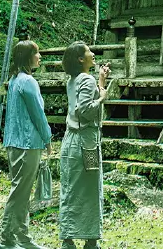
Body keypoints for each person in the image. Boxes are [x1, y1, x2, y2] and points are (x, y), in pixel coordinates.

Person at [0, 40, 52, 249]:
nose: (39, 57)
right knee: (20, 192)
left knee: (21, 190)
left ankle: (21, 237)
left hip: (14, 142)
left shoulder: (14, 80)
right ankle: (6, 239)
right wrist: (47, 138)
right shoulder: (28, 81)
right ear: (27, 57)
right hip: (27, 143)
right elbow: (37, 114)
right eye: (36, 53)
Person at [59, 42, 110, 249]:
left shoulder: (73, 80)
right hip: (86, 142)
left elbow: (81, 100)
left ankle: (68, 237)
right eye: (89, 51)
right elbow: (85, 110)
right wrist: (102, 98)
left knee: (70, 188)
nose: (93, 53)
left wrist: (101, 81)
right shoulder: (86, 79)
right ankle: (90, 239)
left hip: (71, 140)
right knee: (90, 188)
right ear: (81, 58)